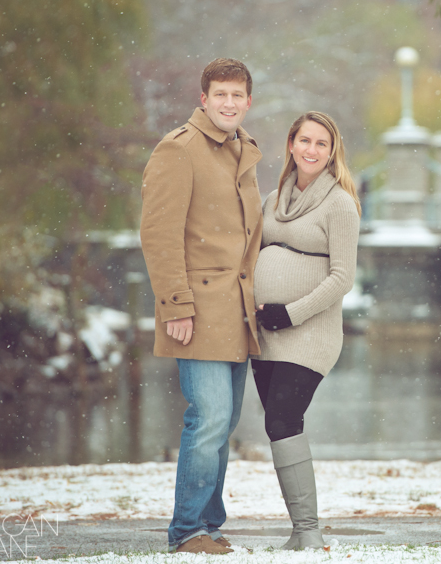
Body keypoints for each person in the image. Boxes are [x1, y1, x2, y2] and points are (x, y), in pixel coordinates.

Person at [140, 58, 262, 555]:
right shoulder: (179, 150)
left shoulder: (244, 150)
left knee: (225, 420)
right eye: (220, 95)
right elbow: (159, 234)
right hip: (196, 308)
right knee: (209, 416)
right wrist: (176, 306)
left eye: (238, 95)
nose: (229, 103)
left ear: (248, 102)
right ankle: (187, 530)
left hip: (236, 310)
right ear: (203, 98)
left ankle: (209, 523)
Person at [253, 111, 361, 550]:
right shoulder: (272, 198)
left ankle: (308, 532)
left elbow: (342, 278)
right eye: (305, 141)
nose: (312, 150)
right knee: (278, 425)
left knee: (283, 417)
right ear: (291, 145)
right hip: (266, 335)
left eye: (321, 143)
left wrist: (291, 313)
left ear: (332, 152)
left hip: (309, 333)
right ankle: (301, 532)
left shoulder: (340, 204)